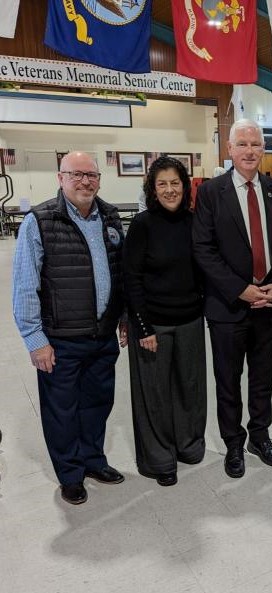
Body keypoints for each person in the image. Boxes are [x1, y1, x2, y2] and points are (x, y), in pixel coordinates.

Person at [12, 152, 127, 505]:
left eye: (91, 174)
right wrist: (35, 339)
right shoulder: (40, 221)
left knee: (97, 404)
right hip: (61, 340)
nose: (85, 181)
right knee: (62, 410)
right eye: (76, 174)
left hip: (102, 336)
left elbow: (118, 272)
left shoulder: (109, 216)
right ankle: (70, 474)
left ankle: (93, 460)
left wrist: (121, 318)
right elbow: (24, 284)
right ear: (60, 178)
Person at [193, 119, 272, 479]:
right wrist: (240, 288)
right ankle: (233, 443)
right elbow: (203, 250)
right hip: (228, 306)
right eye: (243, 144)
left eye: (256, 144)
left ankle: (260, 436)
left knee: (263, 378)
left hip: (269, 304)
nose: (250, 150)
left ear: (263, 150)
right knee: (228, 379)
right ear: (230, 150)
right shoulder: (211, 192)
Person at [123, 156, 206, 487]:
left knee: (190, 388)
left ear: (184, 186)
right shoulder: (142, 225)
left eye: (175, 183)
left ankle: (188, 445)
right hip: (153, 325)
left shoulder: (194, 221)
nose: (170, 190)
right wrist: (142, 327)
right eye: (162, 184)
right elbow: (132, 279)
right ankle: (160, 458)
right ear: (152, 189)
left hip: (190, 320)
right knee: (154, 394)